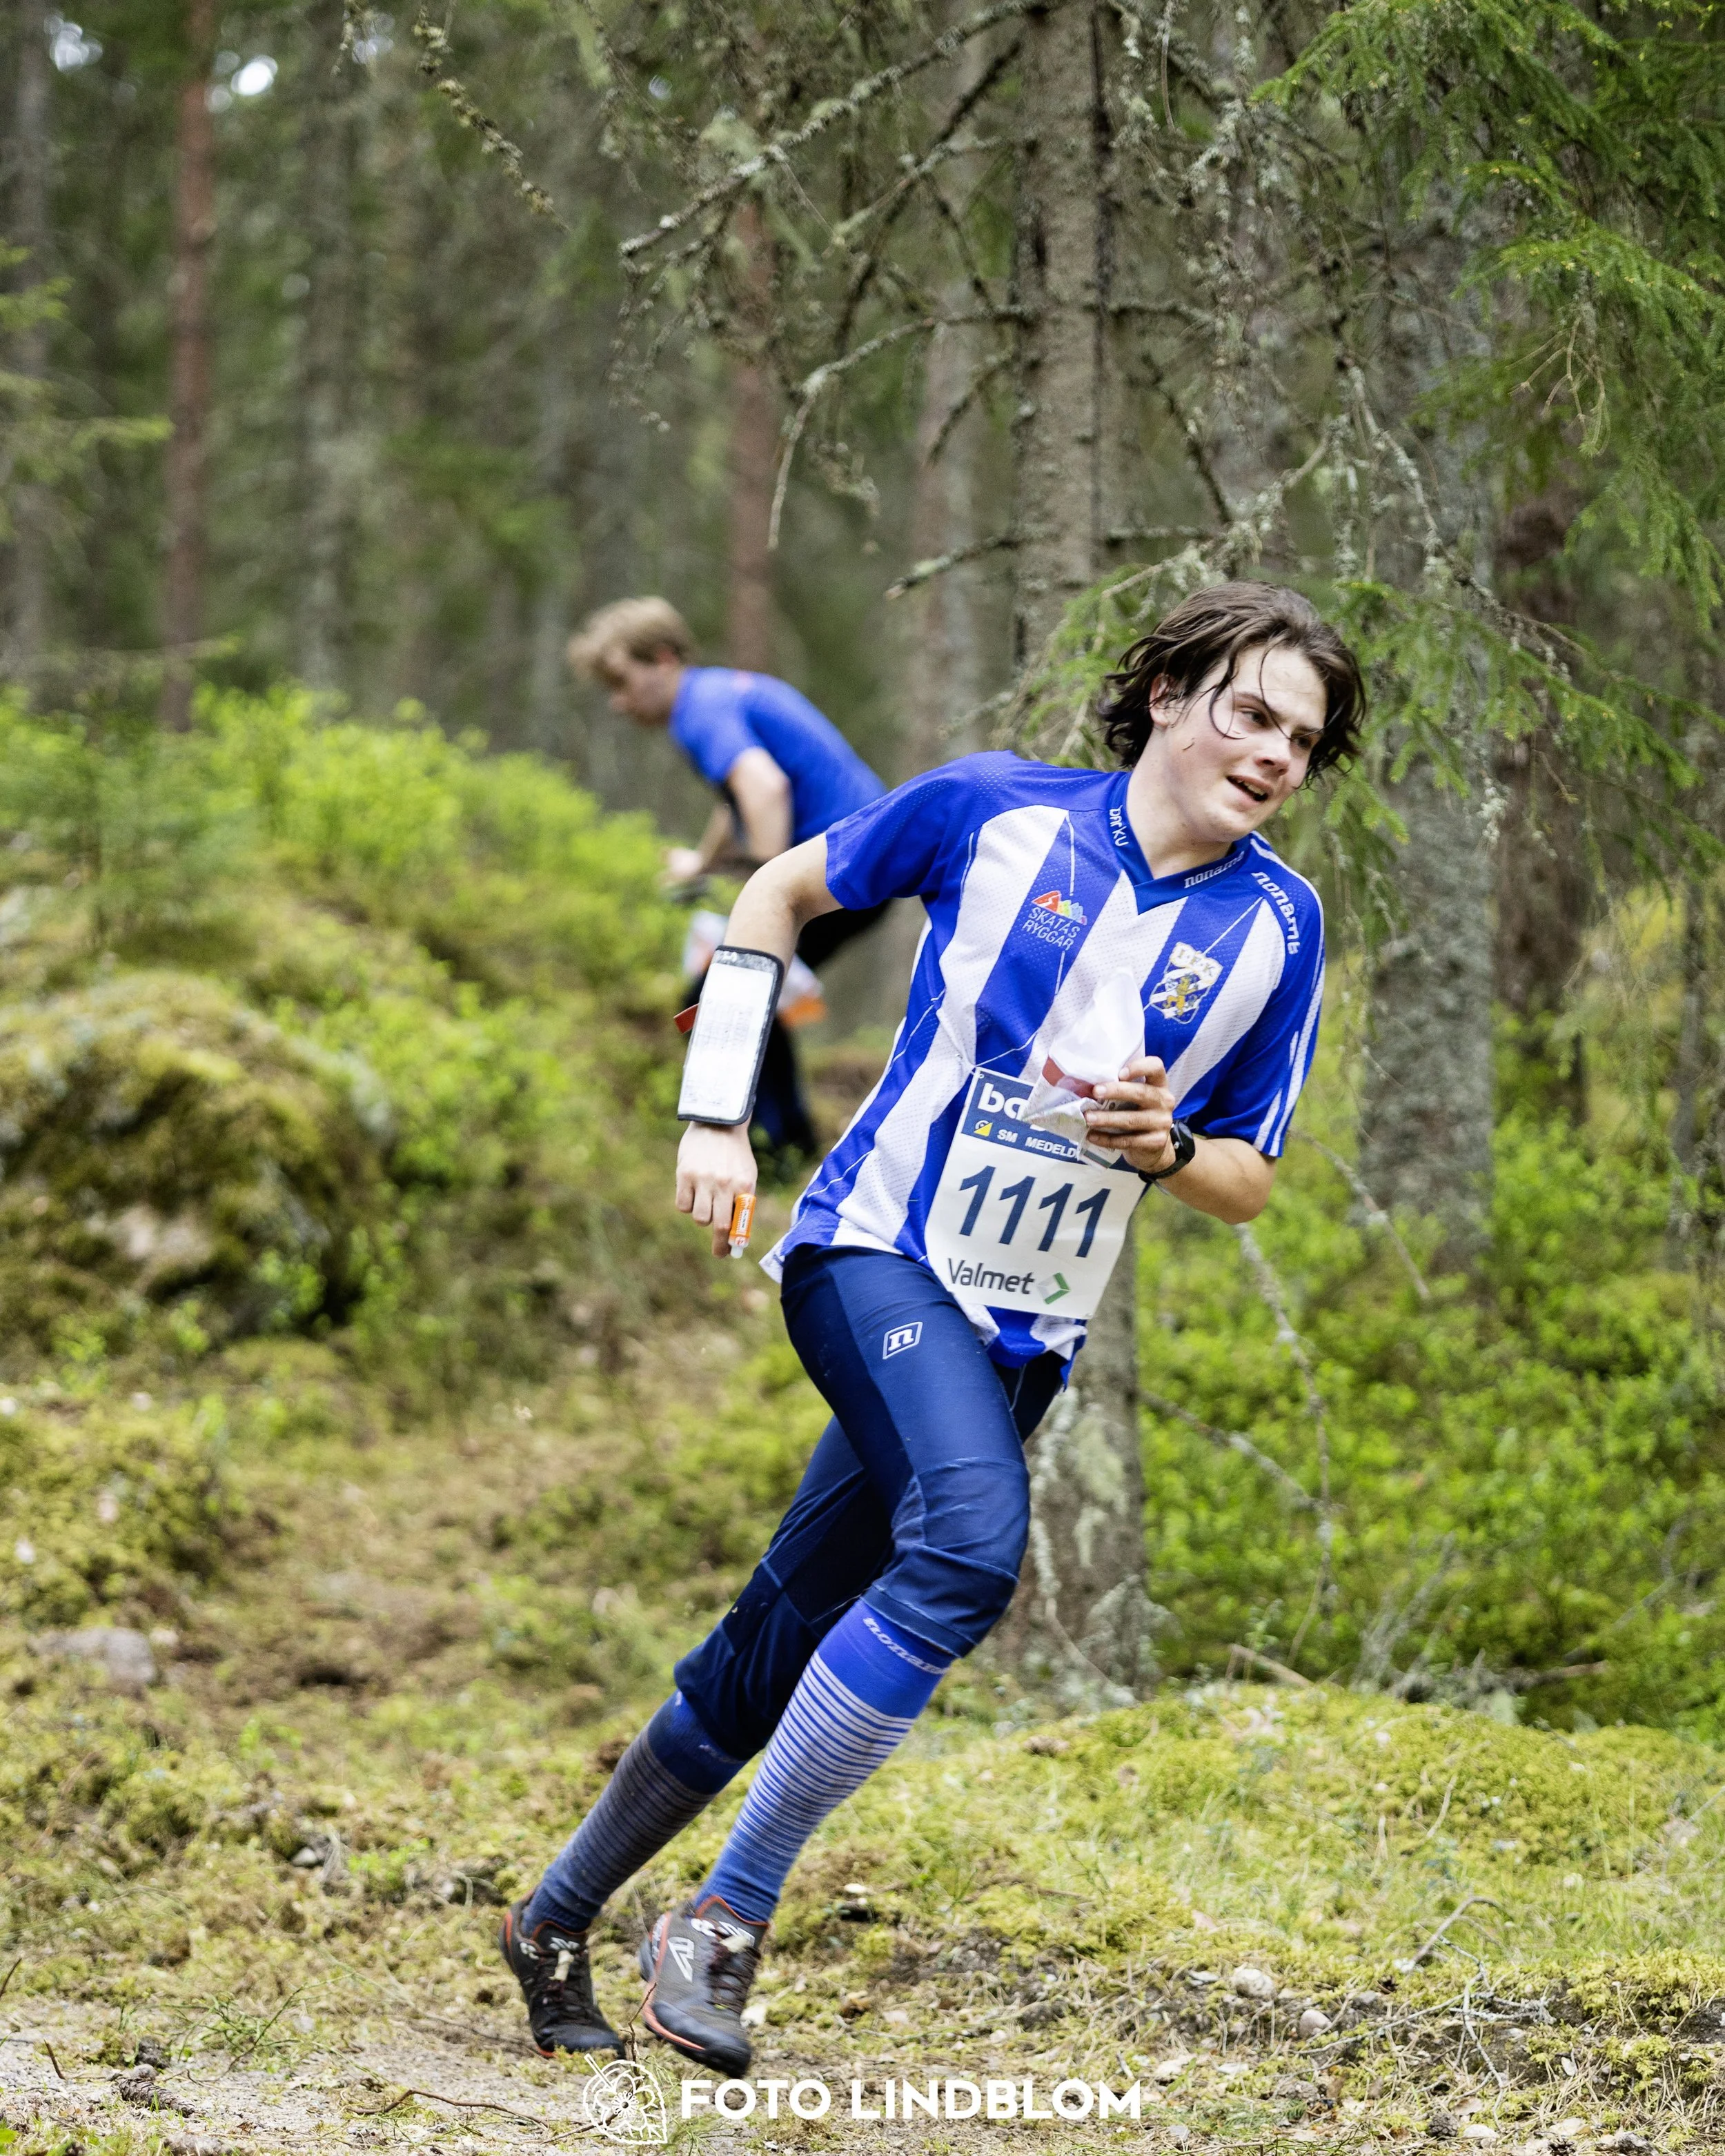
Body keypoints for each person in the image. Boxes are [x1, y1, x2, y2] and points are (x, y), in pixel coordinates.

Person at [500, 582, 1366, 2072]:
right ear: (1164, 693)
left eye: (1301, 738)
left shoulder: (1276, 928)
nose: (1274, 751)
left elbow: (1249, 1183)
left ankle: (552, 1912)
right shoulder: (991, 812)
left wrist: (1165, 1145)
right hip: (872, 1251)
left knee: (772, 1643)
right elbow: (775, 891)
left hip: (1024, 1335)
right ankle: (722, 1916)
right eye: (1248, 710)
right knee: (965, 1550)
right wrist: (716, 1112)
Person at [567, 596, 888, 1162]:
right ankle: (791, 1140)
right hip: (866, 860)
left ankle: (776, 1148)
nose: (618, 702)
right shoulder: (715, 693)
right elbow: (739, 795)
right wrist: (703, 860)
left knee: (721, 995)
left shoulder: (699, 712)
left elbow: (764, 787)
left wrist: (766, 889)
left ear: (663, 659)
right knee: (744, 992)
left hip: (849, 871)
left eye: (622, 681)